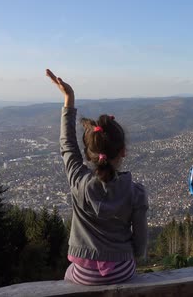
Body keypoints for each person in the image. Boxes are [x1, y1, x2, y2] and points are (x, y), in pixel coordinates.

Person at [46, 69, 148, 285]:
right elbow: (139, 247)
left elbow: (67, 146)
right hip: (123, 270)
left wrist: (68, 100)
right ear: (123, 152)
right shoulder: (136, 193)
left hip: (84, 273)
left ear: (88, 154)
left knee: (67, 280)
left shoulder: (79, 183)